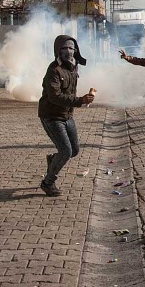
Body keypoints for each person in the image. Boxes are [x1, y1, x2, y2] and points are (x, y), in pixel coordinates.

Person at [38, 35, 96, 197]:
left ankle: (53, 160)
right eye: (64, 48)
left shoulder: (73, 68)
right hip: (51, 116)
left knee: (74, 150)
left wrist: (86, 98)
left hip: (67, 115)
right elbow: (54, 96)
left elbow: (71, 92)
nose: (68, 52)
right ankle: (47, 183)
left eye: (71, 48)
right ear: (58, 51)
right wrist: (79, 101)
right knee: (66, 151)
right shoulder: (53, 70)